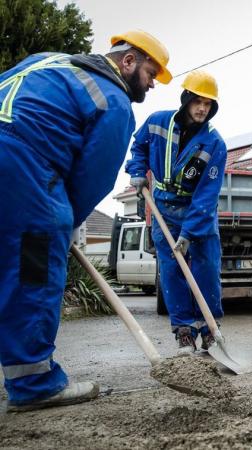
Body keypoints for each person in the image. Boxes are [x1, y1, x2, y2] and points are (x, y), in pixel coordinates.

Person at [0, 30, 171, 412]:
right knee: (33, 272)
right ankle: (34, 385)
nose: (152, 84)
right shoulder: (113, 100)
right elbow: (92, 180)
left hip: (11, 152)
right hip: (22, 164)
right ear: (128, 61)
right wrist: (65, 225)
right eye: (151, 73)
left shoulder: (46, 60)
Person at [126, 71, 227, 356]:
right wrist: (137, 171)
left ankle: (209, 331)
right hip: (164, 209)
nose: (202, 109)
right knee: (171, 271)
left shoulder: (215, 143)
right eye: (198, 102)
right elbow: (139, 146)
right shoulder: (157, 122)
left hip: (198, 212)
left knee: (206, 269)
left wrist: (189, 233)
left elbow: (207, 194)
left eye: (208, 104)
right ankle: (184, 332)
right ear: (186, 99)